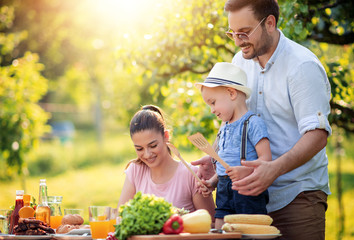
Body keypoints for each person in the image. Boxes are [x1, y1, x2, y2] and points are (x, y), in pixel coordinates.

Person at [192, 0, 332, 239]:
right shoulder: (238, 63)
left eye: (244, 33)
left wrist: (273, 170)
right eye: (232, 33)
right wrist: (218, 154)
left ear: (269, 23)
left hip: (296, 196)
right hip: (246, 200)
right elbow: (233, 120)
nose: (237, 41)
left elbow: (317, 135)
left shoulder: (302, 66)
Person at [194, 62, 272, 229]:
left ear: (231, 93)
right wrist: (213, 182)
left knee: (248, 229)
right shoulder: (224, 129)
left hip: (247, 189)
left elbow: (266, 160)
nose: (212, 110)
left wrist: (248, 170)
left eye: (213, 102)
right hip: (223, 188)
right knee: (221, 226)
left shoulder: (253, 123)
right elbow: (224, 165)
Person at [117, 105, 215, 219]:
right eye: (139, 149)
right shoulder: (135, 170)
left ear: (166, 136)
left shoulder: (192, 174)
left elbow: (211, 224)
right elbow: (120, 218)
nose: (147, 154)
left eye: (153, 146)